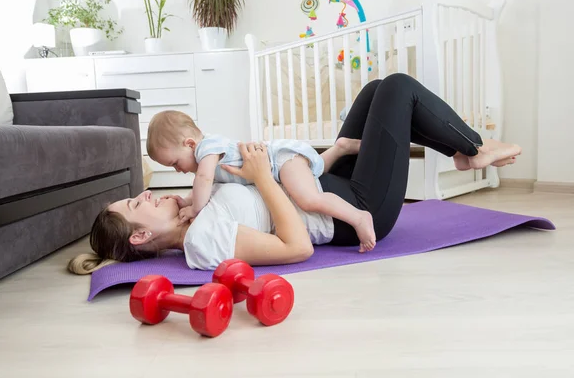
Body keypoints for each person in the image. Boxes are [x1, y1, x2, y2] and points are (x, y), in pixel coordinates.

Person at [68, 73, 521, 275]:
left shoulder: (194, 207)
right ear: (140, 238)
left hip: (324, 186)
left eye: (136, 196)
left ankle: (466, 153)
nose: (145, 195)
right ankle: (474, 150)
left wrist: (269, 170)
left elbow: (224, 178)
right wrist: (263, 175)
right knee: (398, 88)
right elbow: (297, 247)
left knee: (375, 92)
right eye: (135, 205)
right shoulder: (202, 242)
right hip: (354, 212)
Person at [145, 110, 376, 252]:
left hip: (279, 159)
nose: (177, 170)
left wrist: (195, 208)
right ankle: (340, 148)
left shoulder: (207, 148)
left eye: (175, 163)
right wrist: (185, 202)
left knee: (307, 198)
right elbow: (206, 186)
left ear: (189, 144)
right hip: (279, 165)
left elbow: (204, 181)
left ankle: (358, 217)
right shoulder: (204, 159)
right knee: (314, 172)